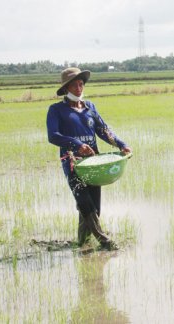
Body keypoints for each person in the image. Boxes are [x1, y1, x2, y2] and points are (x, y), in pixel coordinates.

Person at [47, 67, 132, 251]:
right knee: (84, 201)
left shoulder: (89, 108)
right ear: (66, 88)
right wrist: (77, 144)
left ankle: (82, 242)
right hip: (72, 162)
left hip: (94, 163)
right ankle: (104, 241)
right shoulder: (56, 110)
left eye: (81, 84)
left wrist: (120, 144)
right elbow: (53, 136)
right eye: (74, 85)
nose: (79, 88)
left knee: (94, 206)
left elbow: (103, 130)